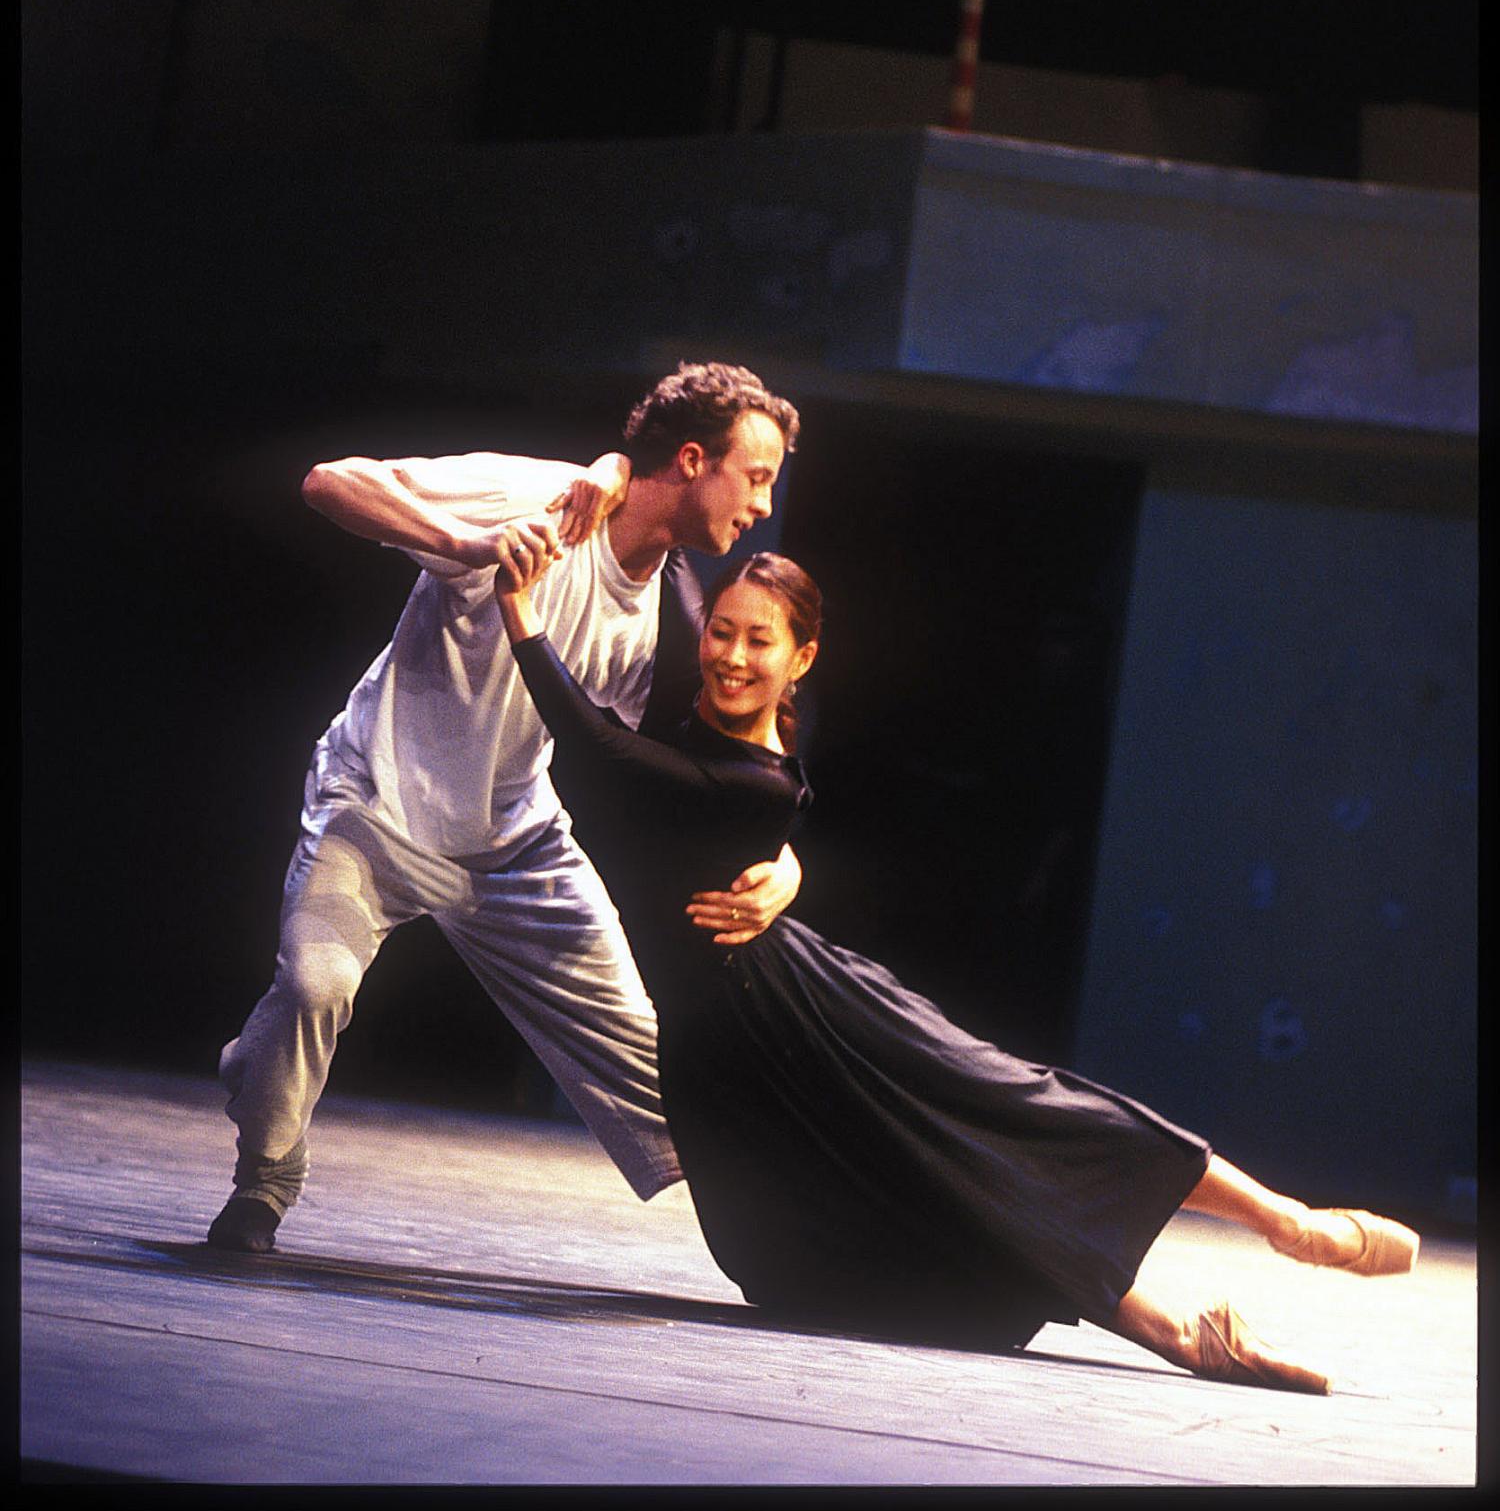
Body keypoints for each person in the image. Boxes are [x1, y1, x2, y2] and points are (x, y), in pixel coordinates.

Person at [494, 545, 1421, 1395]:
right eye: (722, 633)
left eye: (760, 641)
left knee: (1012, 1111)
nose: (731, 656)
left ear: (802, 657)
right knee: (887, 1222)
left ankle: (1286, 1223)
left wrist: (521, 610)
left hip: (797, 1011)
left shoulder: (755, 780)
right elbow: (678, 574)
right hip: (725, 1055)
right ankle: (1186, 1330)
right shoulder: (728, 727)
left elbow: (600, 750)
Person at [207, 361, 804, 1253]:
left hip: (515, 845)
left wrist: (783, 864)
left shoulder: (675, 617)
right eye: (755, 476)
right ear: (691, 460)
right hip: (376, 806)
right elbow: (331, 481)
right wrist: (468, 540)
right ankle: (265, 1178)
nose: (762, 503)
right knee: (312, 987)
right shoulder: (538, 498)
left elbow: (724, 776)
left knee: (662, 1079)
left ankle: (819, 1220)